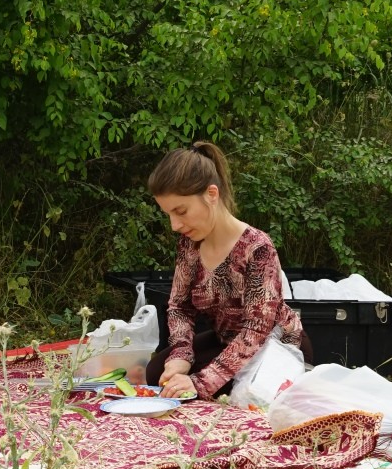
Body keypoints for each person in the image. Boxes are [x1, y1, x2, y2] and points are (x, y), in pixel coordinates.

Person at [130, 141, 306, 401]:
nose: (175, 225)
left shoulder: (257, 247)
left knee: (240, 393)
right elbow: (179, 306)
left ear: (212, 194)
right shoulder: (189, 245)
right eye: (168, 214)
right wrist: (180, 356)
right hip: (224, 342)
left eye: (181, 211)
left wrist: (200, 383)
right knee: (160, 373)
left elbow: (256, 330)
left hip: (273, 346)